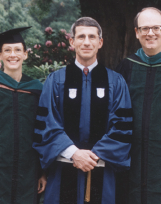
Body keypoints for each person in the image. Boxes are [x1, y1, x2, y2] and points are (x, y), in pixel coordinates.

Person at [33, 17, 133, 204]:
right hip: (63, 171)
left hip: (102, 172)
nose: (86, 42)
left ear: (100, 42)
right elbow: (46, 124)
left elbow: (122, 128)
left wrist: (91, 156)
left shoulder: (116, 82)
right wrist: (74, 153)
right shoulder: (55, 81)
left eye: (92, 37)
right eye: (81, 37)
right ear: (72, 41)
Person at [116, 7, 161, 204]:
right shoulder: (126, 67)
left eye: (156, 27)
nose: (151, 33)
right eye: (145, 28)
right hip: (131, 160)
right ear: (136, 33)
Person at [0, 27, 47, 204]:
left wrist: (43, 172)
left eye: (18, 50)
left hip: (28, 172)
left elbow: (43, 132)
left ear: (25, 54)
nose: (13, 55)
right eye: (7, 50)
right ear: (0, 55)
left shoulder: (36, 90)